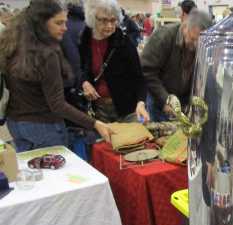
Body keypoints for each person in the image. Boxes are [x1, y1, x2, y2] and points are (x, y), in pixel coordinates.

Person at [0, 0, 113, 152]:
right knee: (55, 174)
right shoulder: (47, 54)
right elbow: (57, 104)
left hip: (16, 124)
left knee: (30, 172)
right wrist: (95, 123)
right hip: (44, 127)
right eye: (59, 23)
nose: (65, 28)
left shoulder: (12, 44)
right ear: (41, 23)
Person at [80, 0, 149, 123]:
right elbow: (79, 68)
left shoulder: (124, 43)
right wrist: (84, 82)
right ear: (93, 18)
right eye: (104, 20)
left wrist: (141, 102)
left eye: (113, 20)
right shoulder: (85, 39)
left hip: (127, 110)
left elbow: (140, 78)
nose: (110, 26)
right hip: (98, 110)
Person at [141, 9, 212, 122]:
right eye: (193, 39)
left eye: (200, 42)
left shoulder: (202, 44)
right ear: (185, 26)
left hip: (183, 103)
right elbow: (147, 71)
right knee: (161, 138)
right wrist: (165, 99)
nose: (196, 45)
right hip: (160, 102)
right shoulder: (163, 36)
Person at [61, 0, 85, 91]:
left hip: (68, 79)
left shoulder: (62, 26)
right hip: (86, 79)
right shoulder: (88, 25)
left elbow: (72, 55)